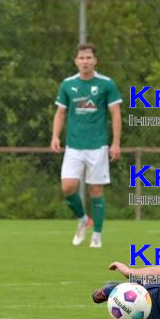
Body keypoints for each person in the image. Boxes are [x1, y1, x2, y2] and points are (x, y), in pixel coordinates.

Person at [50, 43, 122, 249]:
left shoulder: (106, 84)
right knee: (68, 187)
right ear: (76, 61)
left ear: (95, 60)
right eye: (81, 58)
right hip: (73, 145)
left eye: (89, 57)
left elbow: (115, 113)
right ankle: (83, 219)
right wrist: (55, 136)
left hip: (97, 145)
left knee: (95, 189)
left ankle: (97, 235)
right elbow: (61, 112)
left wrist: (115, 143)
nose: (85, 61)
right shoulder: (67, 85)